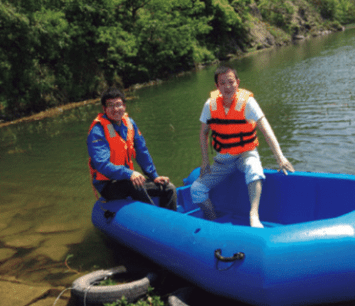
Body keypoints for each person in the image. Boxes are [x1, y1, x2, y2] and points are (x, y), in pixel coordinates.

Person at [190, 66, 294, 228]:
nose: (227, 87)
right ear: (217, 87)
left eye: (231, 82)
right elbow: (203, 133)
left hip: (245, 154)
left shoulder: (248, 103)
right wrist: (205, 161)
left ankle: (253, 215)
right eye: (222, 83)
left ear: (237, 83)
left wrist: (280, 157)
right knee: (196, 189)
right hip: (222, 161)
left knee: (255, 168)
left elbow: (266, 130)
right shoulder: (209, 105)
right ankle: (212, 218)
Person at [87, 87, 177, 211]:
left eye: (118, 104)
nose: (115, 109)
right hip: (108, 185)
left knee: (168, 188)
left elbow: (141, 151)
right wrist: (129, 173)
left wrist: (154, 176)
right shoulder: (97, 131)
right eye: (110, 105)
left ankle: (171, 219)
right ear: (104, 109)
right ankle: (155, 219)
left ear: (124, 106)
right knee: (134, 185)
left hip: (127, 179)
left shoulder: (129, 124)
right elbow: (102, 165)